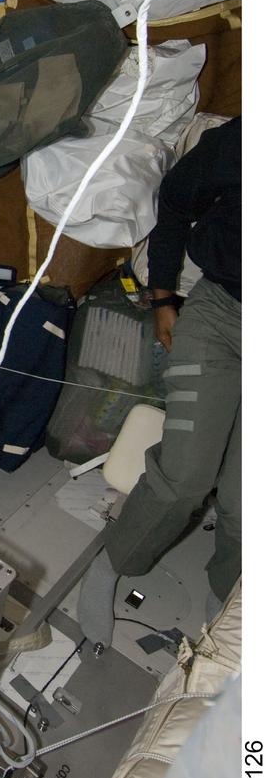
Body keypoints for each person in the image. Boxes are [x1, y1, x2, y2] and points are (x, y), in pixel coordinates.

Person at [77, 116, 241, 649]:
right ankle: (112, 563)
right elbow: (173, 203)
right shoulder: (246, 140)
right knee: (186, 477)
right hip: (221, 317)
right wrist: (164, 295)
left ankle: (227, 598)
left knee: (246, 502)